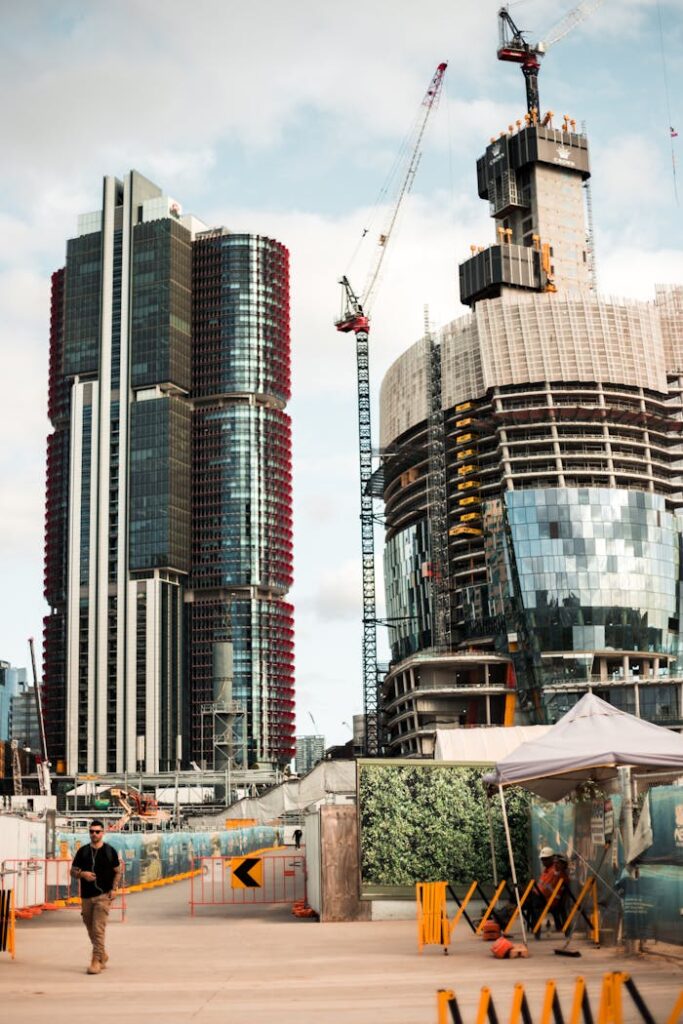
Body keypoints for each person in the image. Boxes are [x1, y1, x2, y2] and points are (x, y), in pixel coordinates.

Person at [71, 819, 123, 974]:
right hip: (86, 896)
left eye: (97, 831)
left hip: (103, 896)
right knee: (90, 928)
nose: (94, 834)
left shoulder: (109, 851)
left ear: (103, 833)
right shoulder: (83, 852)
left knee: (98, 929)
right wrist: (82, 874)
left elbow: (118, 871)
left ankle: (95, 961)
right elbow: (72, 871)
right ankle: (103, 955)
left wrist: (114, 888)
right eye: (92, 831)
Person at [525, 847, 570, 935]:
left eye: (545, 859)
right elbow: (542, 886)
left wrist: (534, 892)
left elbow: (545, 890)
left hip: (547, 899)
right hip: (542, 897)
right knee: (521, 899)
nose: (543, 861)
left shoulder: (556, 872)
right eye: (542, 859)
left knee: (524, 902)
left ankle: (503, 917)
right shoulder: (547, 870)